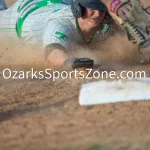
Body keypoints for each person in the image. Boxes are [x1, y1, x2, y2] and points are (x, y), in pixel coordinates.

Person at [0, 0, 139, 69]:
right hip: (22, 14)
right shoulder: (60, 25)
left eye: (101, 10)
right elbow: (52, 52)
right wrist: (70, 62)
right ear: (78, 9)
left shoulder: (103, 19)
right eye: (92, 9)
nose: (97, 14)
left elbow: (126, 42)